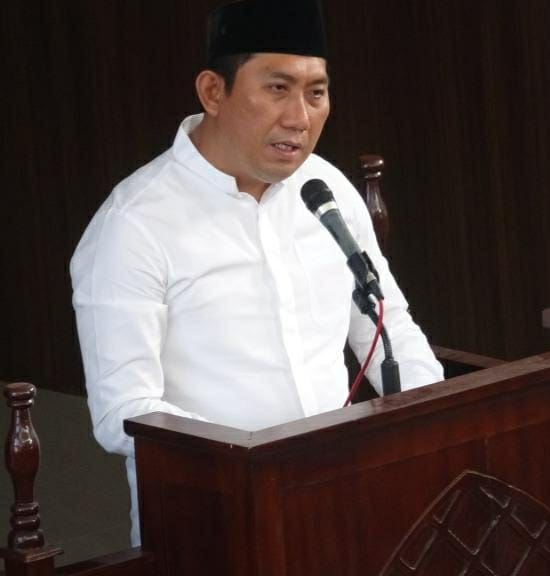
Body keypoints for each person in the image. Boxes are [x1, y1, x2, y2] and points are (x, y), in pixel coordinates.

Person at [70, 0, 443, 545]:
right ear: (213, 92)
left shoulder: (327, 191)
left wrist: (437, 431)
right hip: (213, 524)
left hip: (343, 506)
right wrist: (261, 466)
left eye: (316, 93)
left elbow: (390, 332)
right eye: (277, 88)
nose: (300, 117)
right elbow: (125, 413)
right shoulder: (133, 225)